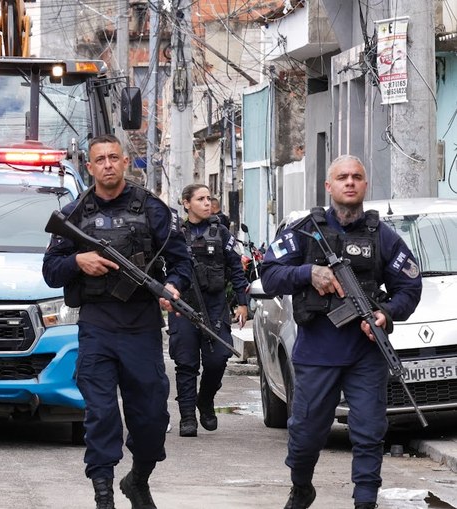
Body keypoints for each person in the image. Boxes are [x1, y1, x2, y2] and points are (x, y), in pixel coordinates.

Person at [260, 155, 422, 509]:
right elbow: (269, 273)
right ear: (328, 186)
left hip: (366, 353)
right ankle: (301, 486)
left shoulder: (384, 237)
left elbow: (410, 288)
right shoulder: (304, 231)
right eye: (343, 177)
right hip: (317, 353)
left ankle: (365, 500)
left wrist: (386, 313)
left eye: (357, 177)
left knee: (368, 433)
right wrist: (307, 274)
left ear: (365, 185)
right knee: (304, 436)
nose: (350, 182)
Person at [42, 134, 192, 509]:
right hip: (97, 327)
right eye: (100, 159)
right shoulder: (75, 214)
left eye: (113, 157)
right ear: (89, 168)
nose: (107, 164)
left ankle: (137, 479)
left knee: (151, 416)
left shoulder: (151, 209)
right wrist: (79, 262)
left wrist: (171, 286)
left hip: (141, 325)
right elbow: (50, 271)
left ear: (125, 162)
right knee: (102, 414)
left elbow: (181, 261)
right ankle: (103, 494)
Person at [170, 184, 249, 437]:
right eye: (200, 199)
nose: (207, 203)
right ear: (186, 203)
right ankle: (187, 417)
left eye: (209, 198)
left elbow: (236, 267)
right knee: (186, 364)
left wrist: (242, 302)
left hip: (215, 307)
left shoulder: (222, 233)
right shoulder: (174, 236)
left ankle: (205, 400)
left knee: (217, 360)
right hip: (183, 307)